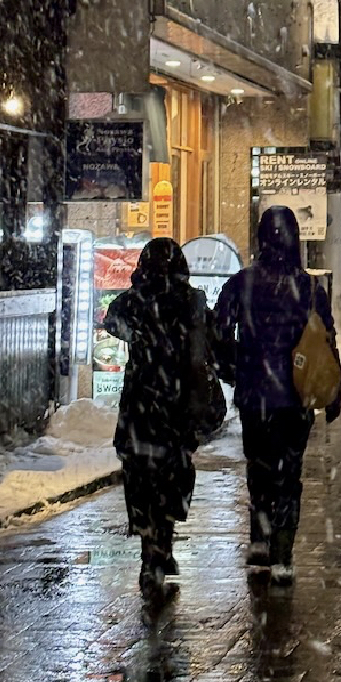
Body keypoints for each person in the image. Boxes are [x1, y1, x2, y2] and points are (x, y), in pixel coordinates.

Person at [213, 206, 341, 584]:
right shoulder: (308, 288)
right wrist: (334, 392)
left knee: (260, 470)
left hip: (256, 397)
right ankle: (283, 554)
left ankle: (260, 536)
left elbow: (218, 331)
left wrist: (233, 369)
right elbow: (326, 341)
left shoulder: (242, 283)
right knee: (289, 475)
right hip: (296, 398)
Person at [102, 237, 213, 600]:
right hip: (178, 402)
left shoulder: (138, 299)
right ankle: (161, 548)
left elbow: (112, 319)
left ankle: (151, 550)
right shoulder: (190, 301)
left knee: (141, 477)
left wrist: (139, 336)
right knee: (173, 475)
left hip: (141, 400)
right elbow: (207, 345)